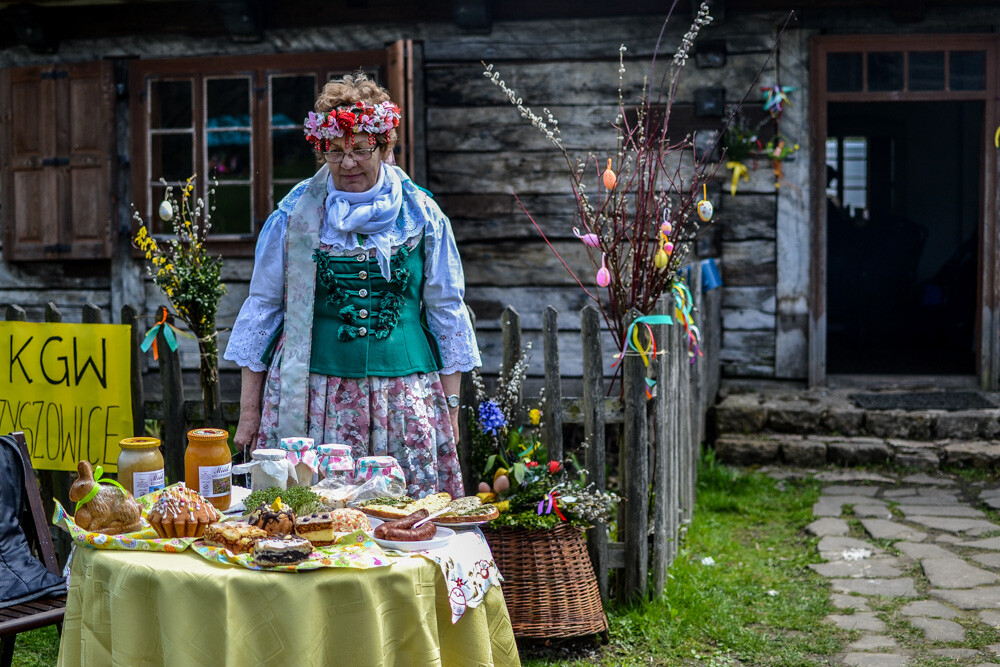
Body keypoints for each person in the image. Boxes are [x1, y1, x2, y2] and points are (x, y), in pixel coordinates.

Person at [224, 73, 480, 499]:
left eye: (361, 149)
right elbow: (262, 310)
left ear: (385, 147)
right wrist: (249, 411)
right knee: (308, 518)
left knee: (400, 521)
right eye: (335, 150)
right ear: (321, 148)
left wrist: (451, 409)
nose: (348, 162)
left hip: (402, 399)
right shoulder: (293, 216)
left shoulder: (421, 215)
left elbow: (447, 312)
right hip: (311, 398)